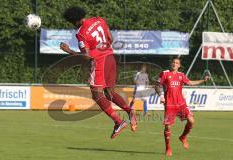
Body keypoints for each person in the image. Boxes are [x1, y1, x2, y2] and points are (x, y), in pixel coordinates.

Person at [60, 6, 137, 139]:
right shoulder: (99, 20)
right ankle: (130, 111)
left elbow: (86, 56)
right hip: (111, 58)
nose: (73, 25)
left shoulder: (81, 33)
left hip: (99, 62)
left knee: (97, 94)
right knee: (109, 93)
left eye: (72, 23)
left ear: (75, 21)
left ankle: (119, 122)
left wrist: (69, 51)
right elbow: (111, 39)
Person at [155, 57, 210, 156]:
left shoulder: (181, 75)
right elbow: (157, 85)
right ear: (171, 63)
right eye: (173, 62)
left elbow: (191, 83)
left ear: (179, 65)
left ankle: (183, 137)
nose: (174, 64)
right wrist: (162, 96)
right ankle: (168, 147)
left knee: (192, 121)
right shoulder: (165, 73)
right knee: (167, 127)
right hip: (170, 105)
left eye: (176, 63)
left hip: (181, 104)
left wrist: (203, 80)